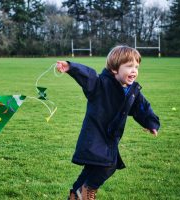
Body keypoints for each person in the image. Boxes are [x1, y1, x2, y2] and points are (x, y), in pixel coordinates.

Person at [56, 45, 160, 200]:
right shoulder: (100, 84)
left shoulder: (132, 91)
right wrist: (71, 67)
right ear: (114, 69)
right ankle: (87, 190)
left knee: (92, 167)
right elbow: (88, 76)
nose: (134, 71)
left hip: (110, 137)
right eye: (129, 66)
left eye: (136, 67)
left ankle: (76, 195)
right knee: (108, 165)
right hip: (95, 135)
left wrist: (151, 123)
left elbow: (141, 107)